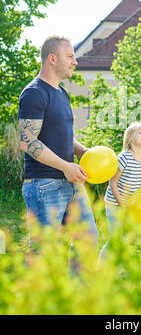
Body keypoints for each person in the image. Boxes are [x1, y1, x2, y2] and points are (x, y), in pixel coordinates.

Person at [18, 36, 98, 259]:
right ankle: (38, 295)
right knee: (43, 250)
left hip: (70, 182)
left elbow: (63, 137)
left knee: (88, 239)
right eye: (70, 56)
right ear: (52, 59)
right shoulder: (34, 93)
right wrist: (65, 166)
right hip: (44, 185)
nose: (75, 62)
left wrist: (84, 152)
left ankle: (76, 293)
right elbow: (27, 141)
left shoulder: (62, 93)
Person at [99, 121, 141, 260]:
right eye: (140, 132)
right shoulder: (124, 157)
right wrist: (122, 206)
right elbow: (112, 183)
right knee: (115, 241)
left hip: (131, 206)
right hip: (115, 204)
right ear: (130, 137)